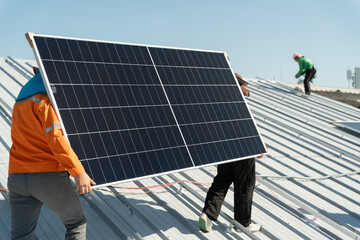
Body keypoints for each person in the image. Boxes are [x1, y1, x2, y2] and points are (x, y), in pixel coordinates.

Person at [8, 67, 95, 240]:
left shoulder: (21, 101)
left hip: (17, 178)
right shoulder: (43, 100)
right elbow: (56, 138)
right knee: (76, 223)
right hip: (46, 177)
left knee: (21, 236)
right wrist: (78, 172)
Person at [198, 73, 264, 233]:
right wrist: (259, 145)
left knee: (222, 180)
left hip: (224, 147)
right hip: (243, 147)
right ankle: (243, 223)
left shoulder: (212, 98)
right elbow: (244, 123)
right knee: (245, 185)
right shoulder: (235, 98)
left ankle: (208, 214)